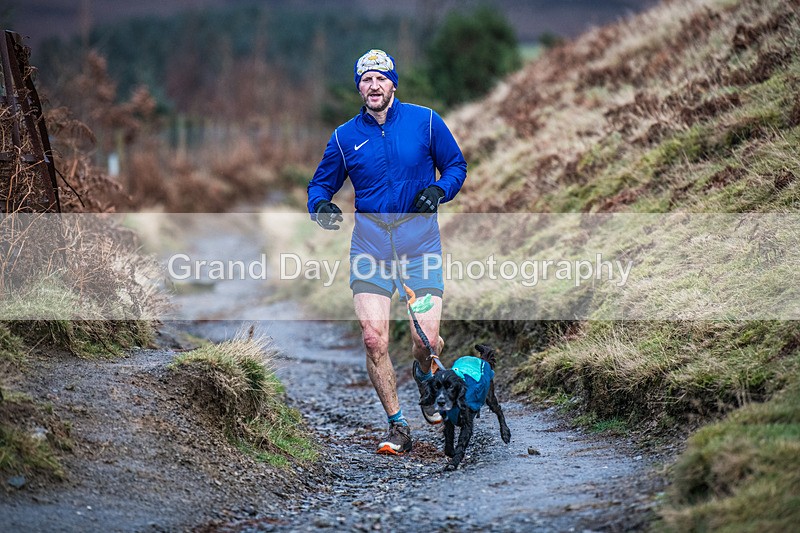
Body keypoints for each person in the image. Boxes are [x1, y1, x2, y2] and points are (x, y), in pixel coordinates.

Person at [307, 49, 467, 455]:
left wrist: (439, 190)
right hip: (370, 248)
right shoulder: (345, 137)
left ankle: (426, 380)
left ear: (393, 84)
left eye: (381, 78)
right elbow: (320, 185)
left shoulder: (425, 122)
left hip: (420, 246)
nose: (374, 85)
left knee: (425, 341)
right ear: (359, 87)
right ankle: (398, 425)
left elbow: (456, 166)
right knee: (373, 339)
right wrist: (320, 206)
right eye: (366, 79)